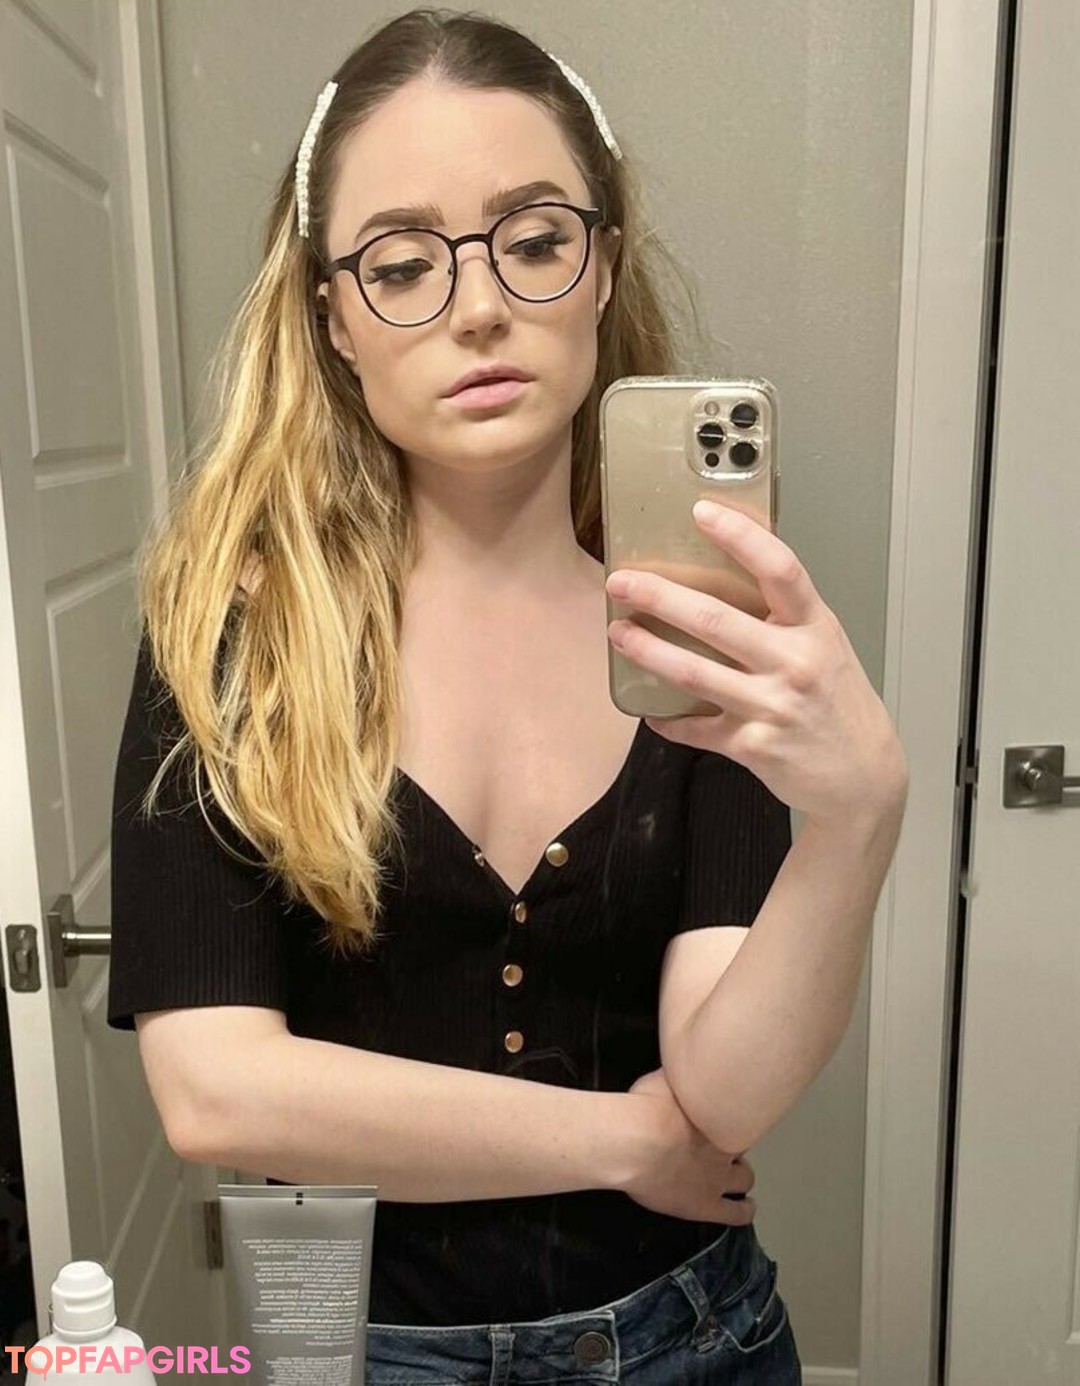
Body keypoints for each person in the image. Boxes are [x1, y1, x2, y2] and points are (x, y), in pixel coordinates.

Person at [106, 9, 907, 1382]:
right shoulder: (233, 633)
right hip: (368, 1350)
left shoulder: (699, 635)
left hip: (695, 1339)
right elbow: (215, 1089)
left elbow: (724, 1092)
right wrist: (621, 1140)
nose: (478, 306)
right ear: (334, 318)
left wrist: (858, 818)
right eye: (402, 263)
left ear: (602, 270)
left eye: (534, 242)